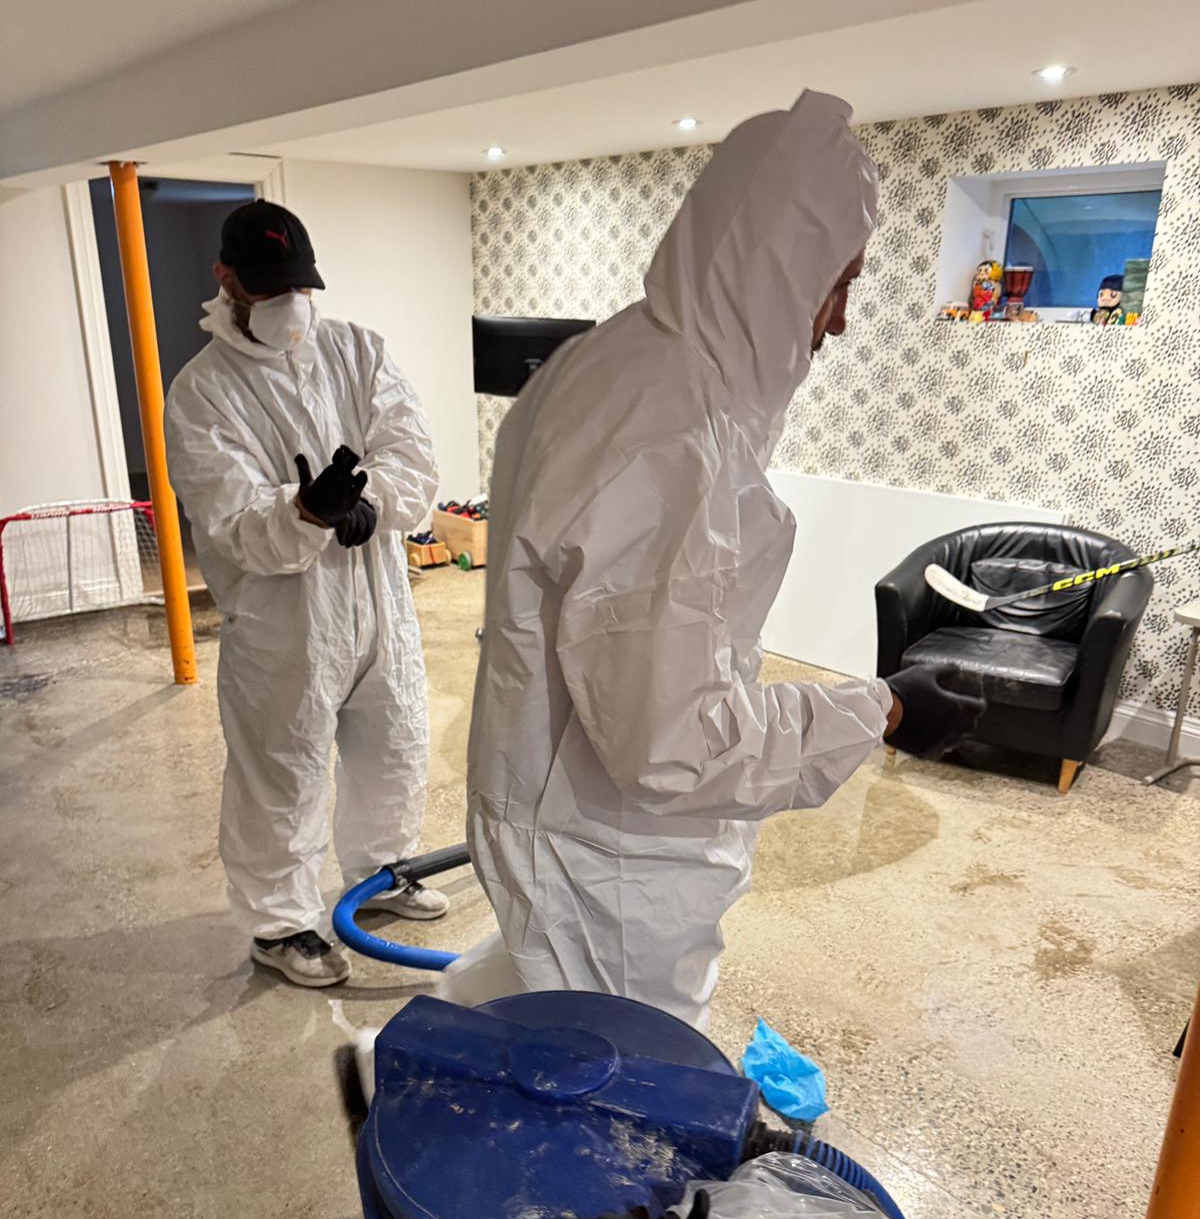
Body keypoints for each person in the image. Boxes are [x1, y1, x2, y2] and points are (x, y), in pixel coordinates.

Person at [435, 90, 983, 1031]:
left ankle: (395, 1061)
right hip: (612, 854)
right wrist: (877, 709)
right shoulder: (670, 433)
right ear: (777, 264)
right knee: (619, 1083)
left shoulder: (612, 363)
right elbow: (668, 744)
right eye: (838, 283)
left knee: (534, 995)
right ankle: (417, 1091)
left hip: (563, 809)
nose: (839, 322)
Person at [166, 200, 448, 989]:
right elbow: (226, 518)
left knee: (391, 740)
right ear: (228, 281)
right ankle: (279, 921)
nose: (289, 301)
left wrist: (370, 503)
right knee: (281, 768)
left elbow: (412, 455)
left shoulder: (358, 352)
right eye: (267, 285)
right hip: (282, 620)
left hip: (379, 601)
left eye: (297, 284)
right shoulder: (203, 391)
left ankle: (380, 874)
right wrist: (304, 513)